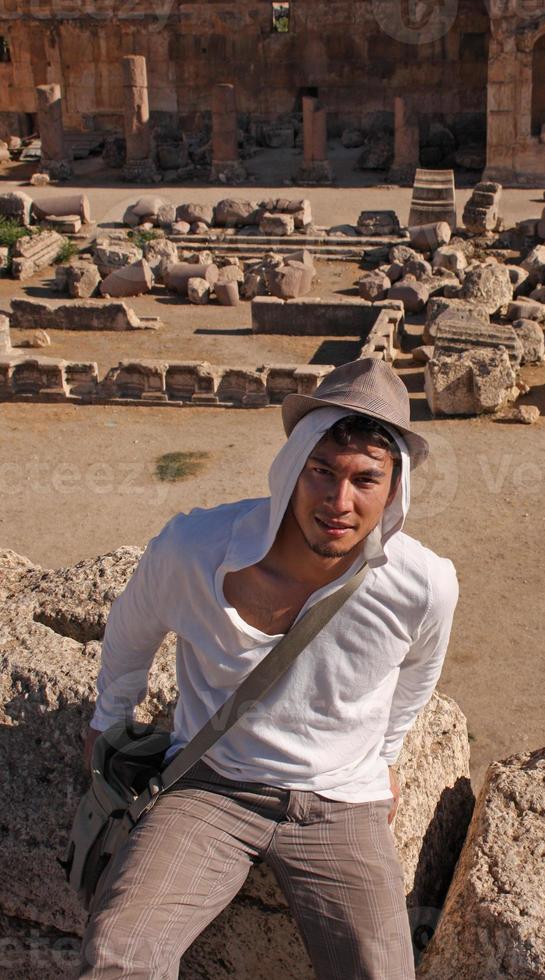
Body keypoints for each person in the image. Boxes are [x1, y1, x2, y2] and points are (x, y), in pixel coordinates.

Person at [79, 357, 459, 980]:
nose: (340, 501)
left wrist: (385, 755)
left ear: (395, 488)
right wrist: (109, 718)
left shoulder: (423, 585)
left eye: (366, 479)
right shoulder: (195, 549)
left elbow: (419, 672)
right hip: (210, 786)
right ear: (293, 466)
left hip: (341, 801)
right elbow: (131, 627)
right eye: (322, 472)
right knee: (120, 956)